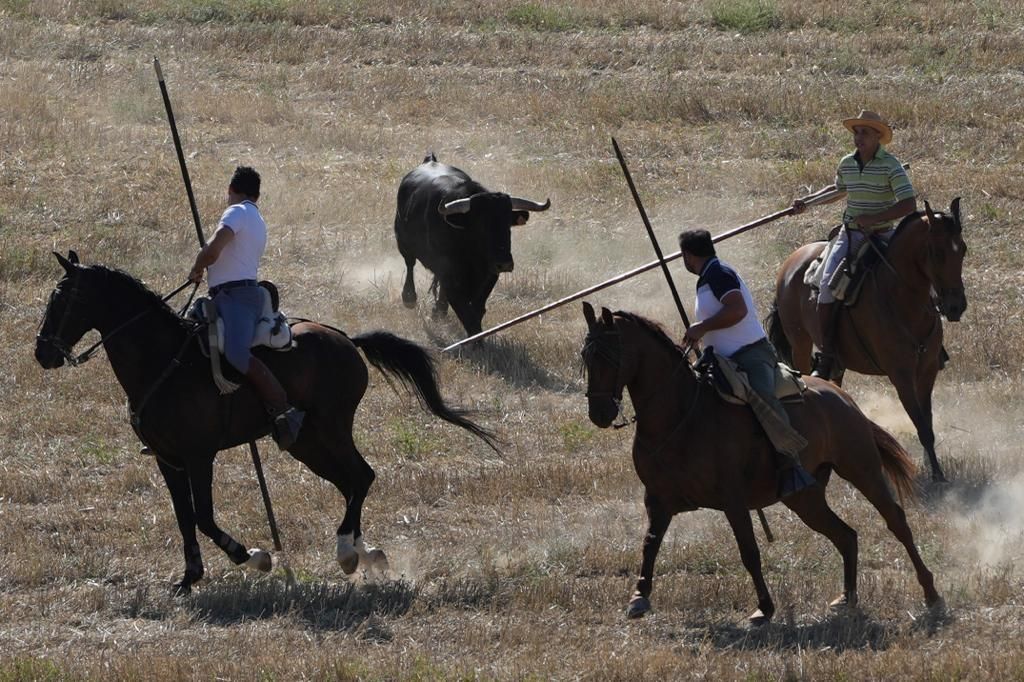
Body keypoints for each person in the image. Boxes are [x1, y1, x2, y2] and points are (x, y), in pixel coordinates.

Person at [679, 229, 815, 498]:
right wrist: (701, 336)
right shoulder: (707, 278)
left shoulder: (719, 274)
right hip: (722, 359)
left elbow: (737, 310)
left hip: (751, 354)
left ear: (688, 255)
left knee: (764, 397)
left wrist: (702, 327)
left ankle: (791, 463)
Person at [792, 110, 917, 380]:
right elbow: (837, 190)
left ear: (877, 138)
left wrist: (874, 218)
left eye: (865, 133)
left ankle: (931, 344)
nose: (859, 138)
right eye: (856, 133)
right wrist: (808, 201)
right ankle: (827, 353)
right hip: (852, 235)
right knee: (825, 285)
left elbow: (909, 204)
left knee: (919, 279)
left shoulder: (891, 165)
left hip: (883, 234)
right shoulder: (847, 163)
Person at [188, 166, 304, 449]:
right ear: (258, 194)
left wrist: (197, 266)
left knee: (237, 353)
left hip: (236, 298)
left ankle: (282, 407)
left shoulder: (237, 212)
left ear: (231, 190)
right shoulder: (257, 218)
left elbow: (214, 250)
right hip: (227, 297)